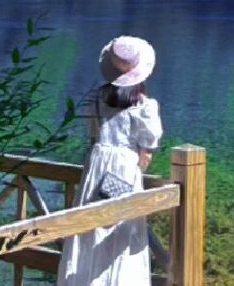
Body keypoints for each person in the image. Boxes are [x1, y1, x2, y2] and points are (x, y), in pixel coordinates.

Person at [57, 35, 163, 286]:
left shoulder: (96, 98)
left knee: (90, 229)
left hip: (96, 163)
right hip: (125, 167)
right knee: (121, 232)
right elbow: (147, 150)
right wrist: (135, 171)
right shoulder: (144, 106)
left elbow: (93, 136)